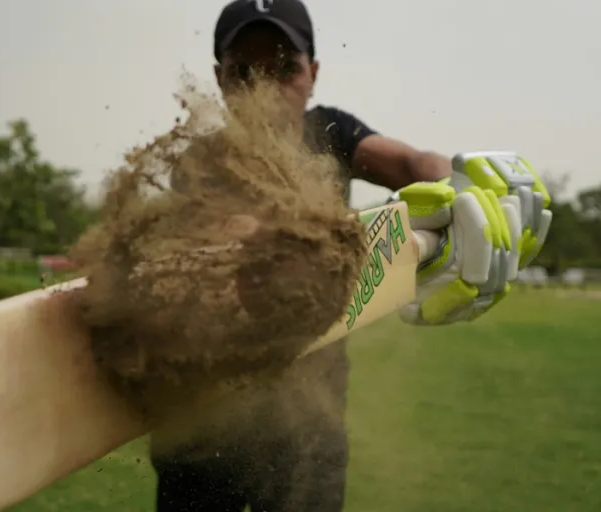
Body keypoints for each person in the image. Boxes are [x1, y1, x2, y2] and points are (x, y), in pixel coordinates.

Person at [149, 1, 552, 511]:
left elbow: (409, 162)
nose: (265, 87)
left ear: (312, 74)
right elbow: (225, 236)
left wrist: (460, 182)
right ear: (219, 79)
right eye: (243, 71)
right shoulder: (198, 159)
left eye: (284, 68)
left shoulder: (331, 132)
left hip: (307, 434)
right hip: (201, 430)